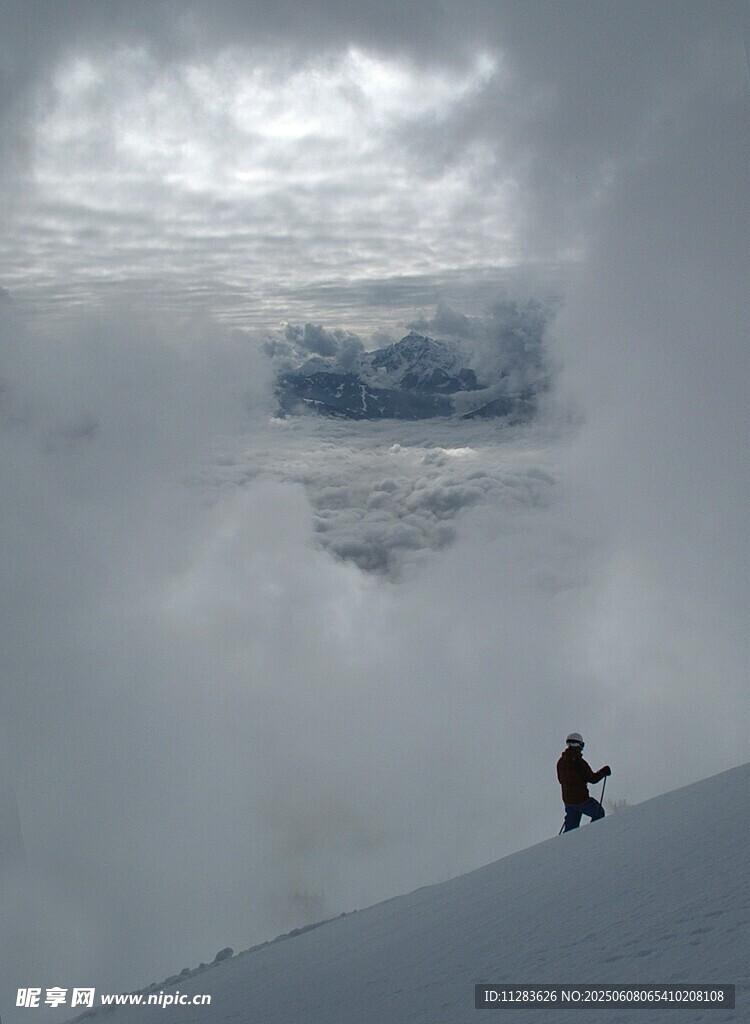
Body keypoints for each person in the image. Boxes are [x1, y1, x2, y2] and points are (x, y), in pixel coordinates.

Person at [557, 732, 611, 832]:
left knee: (571, 828)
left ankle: (565, 845)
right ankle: (590, 836)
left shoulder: (561, 762)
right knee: (599, 813)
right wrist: (604, 772)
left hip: (568, 800)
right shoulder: (578, 761)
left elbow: (560, 780)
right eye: (582, 745)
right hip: (581, 799)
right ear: (578, 744)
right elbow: (592, 779)